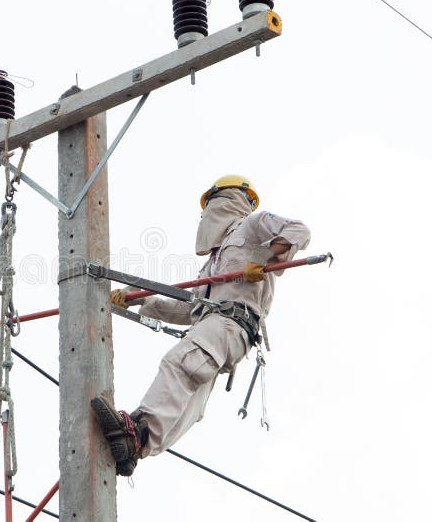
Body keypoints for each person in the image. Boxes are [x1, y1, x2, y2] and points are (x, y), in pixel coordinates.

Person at [91, 174, 311, 476]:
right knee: (190, 405)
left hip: (231, 323)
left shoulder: (252, 226)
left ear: (228, 199)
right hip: (215, 325)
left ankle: (134, 431)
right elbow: (190, 310)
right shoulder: (213, 262)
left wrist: (262, 256)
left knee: (178, 364)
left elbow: (299, 230)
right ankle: (138, 445)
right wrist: (141, 301)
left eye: (210, 205)